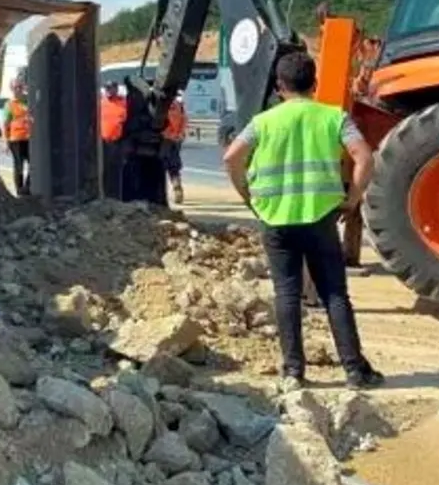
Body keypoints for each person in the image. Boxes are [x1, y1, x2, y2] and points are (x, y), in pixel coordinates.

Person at [222, 52, 383, 392]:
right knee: (335, 294)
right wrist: (352, 198)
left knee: (286, 292)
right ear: (315, 84)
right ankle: (355, 371)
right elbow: (364, 157)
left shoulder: (263, 122)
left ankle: (294, 370)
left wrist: (247, 195)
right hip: (320, 218)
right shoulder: (333, 117)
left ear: (279, 86)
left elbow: (231, 156)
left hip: (276, 220)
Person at [3, 78, 32, 197]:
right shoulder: (9, 104)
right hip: (16, 138)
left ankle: (27, 187)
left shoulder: (28, 101)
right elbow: (6, 123)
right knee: (19, 165)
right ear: (12, 90)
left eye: (20, 87)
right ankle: (20, 191)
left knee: (33, 164)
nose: (18, 90)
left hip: (29, 137)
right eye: (15, 88)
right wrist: (6, 141)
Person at [100, 82, 128, 199]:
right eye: (107, 89)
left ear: (116, 89)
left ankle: (116, 197)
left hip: (118, 142)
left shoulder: (123, 102)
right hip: (103, 143)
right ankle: (105, 196)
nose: (109, 91)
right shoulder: (101, 102)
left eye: (111, 88)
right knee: (105, 171)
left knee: (116, 171)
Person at [161, 91, 188, 204]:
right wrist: (179, 134)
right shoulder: (179, 105)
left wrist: (170, 135)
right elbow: (184, 120)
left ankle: (167, 193)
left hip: (165, 139)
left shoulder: (161, 106)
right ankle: (177, 189)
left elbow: (160, 124)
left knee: (161, 165)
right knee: (174, 166)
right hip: (175, 139)